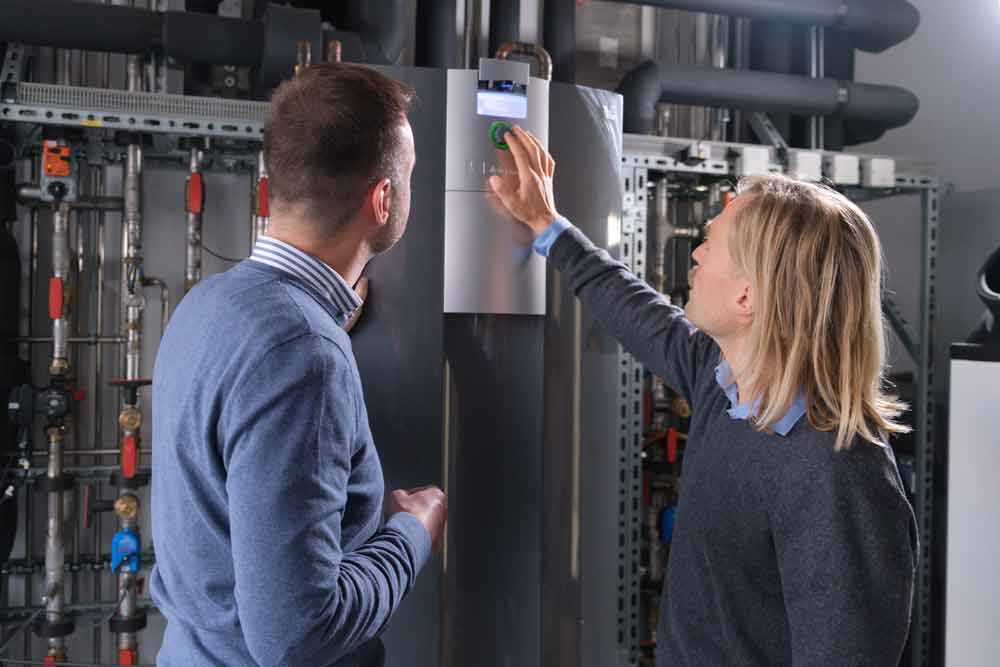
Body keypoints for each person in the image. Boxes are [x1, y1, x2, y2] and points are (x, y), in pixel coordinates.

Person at [489, 125, 918, 666]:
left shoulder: (835, 473)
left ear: (748, 296)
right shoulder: (729, 387)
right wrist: (547, 225)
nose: (694, 255)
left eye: (710, 245)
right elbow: (640, 314)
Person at [150, 64, 446, 667]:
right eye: (409, 175)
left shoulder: (208, 304)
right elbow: (296, 635)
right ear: (383, 199)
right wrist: (412, 534)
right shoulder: (303, 355)